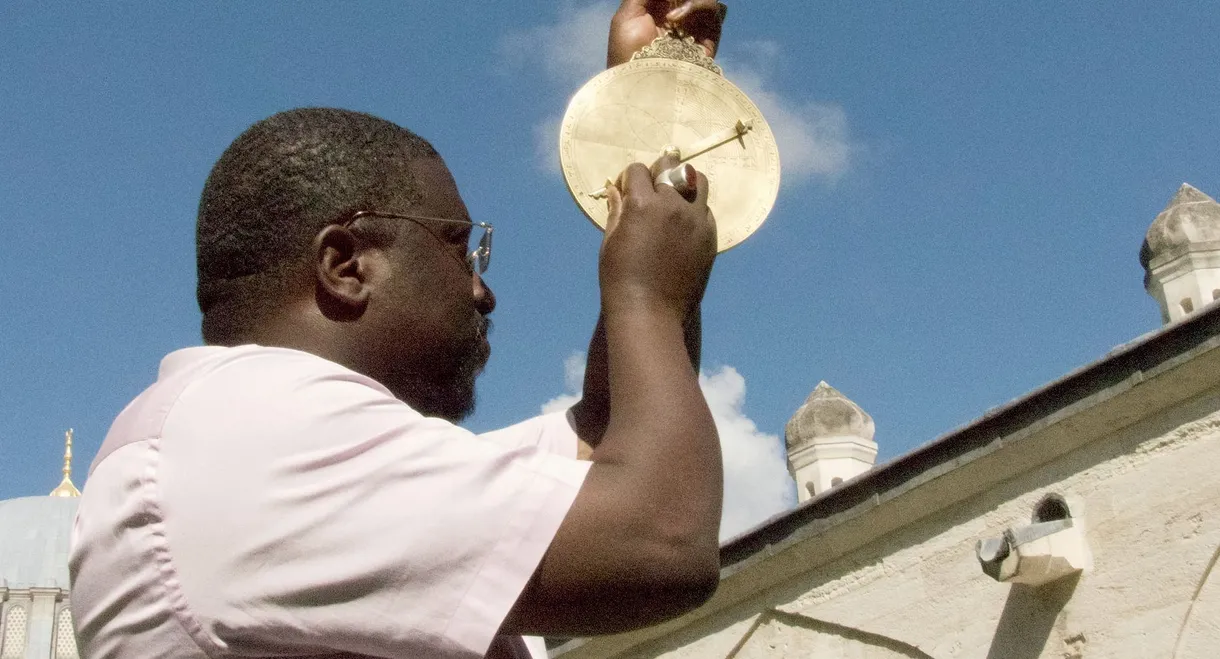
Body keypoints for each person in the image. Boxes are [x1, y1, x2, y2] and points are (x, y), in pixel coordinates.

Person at [69, 2, 729, 657]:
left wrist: (649, 115)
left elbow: (609, 437)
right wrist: (643, 294)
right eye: (457, 247)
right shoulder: (240, 437)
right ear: (346, 263)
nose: (481, 288)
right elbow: (660, 536)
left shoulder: (267, 446)